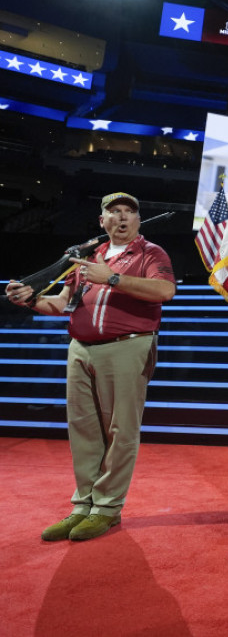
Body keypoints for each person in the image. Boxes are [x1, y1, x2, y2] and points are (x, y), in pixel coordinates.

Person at [5, 192, 176, 541]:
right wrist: (32, 299)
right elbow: (61, 304)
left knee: (120, 431)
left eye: (130, 212)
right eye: (114, 212)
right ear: (103, 221)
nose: (123, 217)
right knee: (83, 431)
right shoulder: (87, 256)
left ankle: (108, 508)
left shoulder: (150, 253)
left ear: (139, 221)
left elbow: (165, 291)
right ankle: (83, 505)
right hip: (81, 349)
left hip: (126, 348)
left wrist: (112, 278)